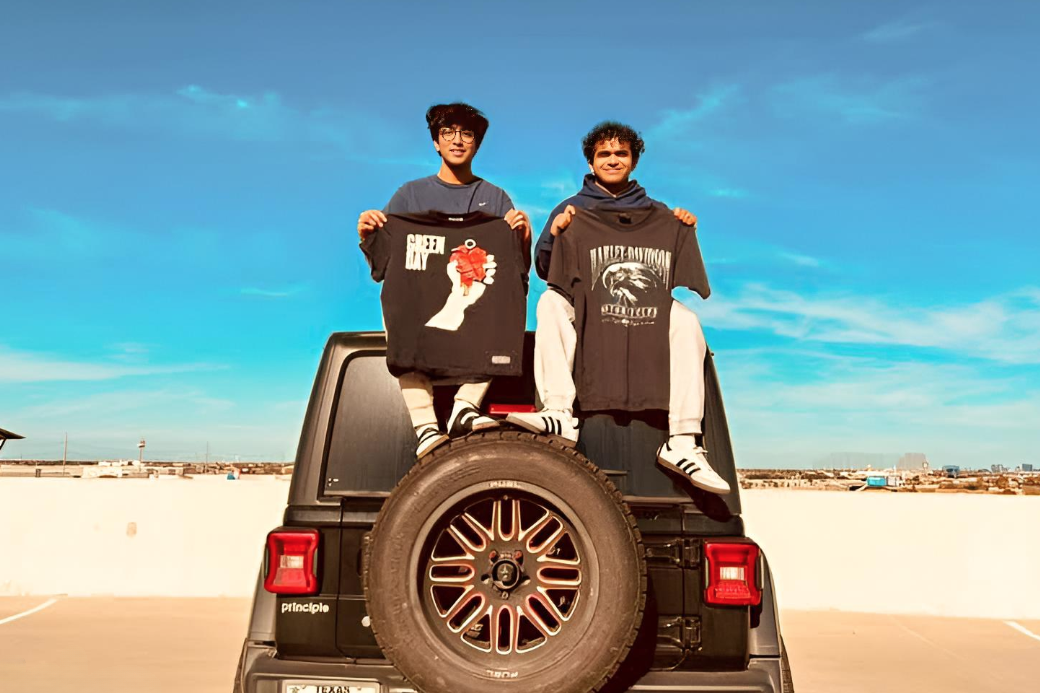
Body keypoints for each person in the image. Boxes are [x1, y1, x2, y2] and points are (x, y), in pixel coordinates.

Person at [507, 121, 730, 494]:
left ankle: (683, 439)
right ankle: (559, 411)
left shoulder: (659, 213)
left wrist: (683, 228)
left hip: (642, 315)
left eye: (621, 153)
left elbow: (679, 261)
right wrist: (558, 235)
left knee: (687, 320)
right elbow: (547, 270)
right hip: (590, 312)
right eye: (604, 154)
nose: (612, 160)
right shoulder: (572, 209)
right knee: (549, 303)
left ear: (634, 160)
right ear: (591, 162)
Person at [357, 102, 531, 458]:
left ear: (477, 144)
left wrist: (522, 239)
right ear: (436, 142)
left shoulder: (496, 198)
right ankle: (424, 426)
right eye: (448, 132)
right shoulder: (409, 196)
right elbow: (384, 268)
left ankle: (466, 406)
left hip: (475, 305)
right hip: (421, 302)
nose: (457, 140)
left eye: (466, 133)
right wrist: (369, 235)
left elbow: (515, 276)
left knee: (504, 315)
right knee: (402, 319)